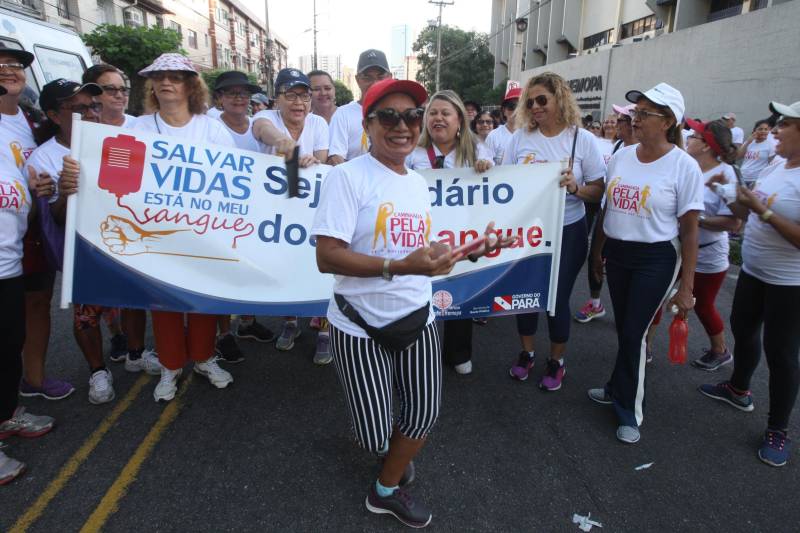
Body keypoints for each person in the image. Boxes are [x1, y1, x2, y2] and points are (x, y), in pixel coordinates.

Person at [311, 77, 513, 528]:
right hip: (357, 324)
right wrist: (399, 267)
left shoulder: (418, 183)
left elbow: (422, 246)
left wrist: (474, 248)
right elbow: (327, 256)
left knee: (421, 416)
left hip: (417, 317)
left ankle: (385, 489)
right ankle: (392, 456)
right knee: (374, 434)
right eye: (389, 116)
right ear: (368, 124)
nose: (402, 126)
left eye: (411, 117)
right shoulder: (348, 177)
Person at [588, 83, 703, 444]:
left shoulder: (684, 167)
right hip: (618, 254)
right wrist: (597, 252)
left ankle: (628, 410)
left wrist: (687, 287)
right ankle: (614, 386)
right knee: (626, 328)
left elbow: (689, 232)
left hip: (656, 257)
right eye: (634, 112)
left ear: (668, 121)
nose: (633, 119)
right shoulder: (622, 155)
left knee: (635, 332)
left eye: (643, 114)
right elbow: (608, 207)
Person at [699, 100, 800, 467]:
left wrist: (763, 211)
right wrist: (731, 194)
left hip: (790, 283)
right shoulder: (777, 166)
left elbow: (769, 216)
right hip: (754, 272)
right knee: (744, 329)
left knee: (783, 353)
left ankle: (778, 428)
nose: (774, 130)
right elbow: (747, 211)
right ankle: (738, 388)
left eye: (785, 124)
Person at [132, 53, 235, 401]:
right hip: (156, 234)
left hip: (204, 235)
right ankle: (170, 366)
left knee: (203, 302)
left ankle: (205, 358)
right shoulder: (138, 128)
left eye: (175, 77)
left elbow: (235, 178)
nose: (165, 83)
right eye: (159, 77)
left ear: (191, 85)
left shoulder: (212, 129)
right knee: (165, 306)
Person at [504, 72, 605, 391]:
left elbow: (599, 190)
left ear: (559, 99)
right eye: (529, 101)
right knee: (524, 296)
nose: (534, 106)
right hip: (528, 232)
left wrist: (576, 188)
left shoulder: (582, 139)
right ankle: (527, 353)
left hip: (568, 231)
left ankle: (557, 361)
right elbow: (503, 181)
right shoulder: (520, 138)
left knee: (556, 299)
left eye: (541, 100)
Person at [0, 44, 72, 402]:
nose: (8, 71)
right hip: (7, 231)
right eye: (0, 66)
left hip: (34, 230)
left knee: (37, 303)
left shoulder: (31, 121)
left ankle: (34, 378)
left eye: (14, 65)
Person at [406, 90, 494, 375]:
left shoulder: (476, 151)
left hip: (460, 236)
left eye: (446, 113)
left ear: (459, 120)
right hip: (421, 235)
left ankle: (458, 352)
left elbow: (499, 187)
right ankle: (417, 353)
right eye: (433, 113)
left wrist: (488, 169)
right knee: (417, 294)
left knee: (460, 292)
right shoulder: (413, 153)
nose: (438, 118)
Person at [252, 68, 330, 361]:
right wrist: (285, 144)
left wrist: (310, 160)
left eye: (304, 96)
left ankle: (324, 330)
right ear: (277, 98)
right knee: (284, 266)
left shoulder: (319, 123)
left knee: (318, 268)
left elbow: (321, 163)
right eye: (291, 95)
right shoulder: (266, 119)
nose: (299, 103)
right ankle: (290, 322)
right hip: (276, 210)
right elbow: (262, 131)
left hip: (310, 209)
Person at [0, 79, 54, 486]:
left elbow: (23, 175)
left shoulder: (20, 123)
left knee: (8, 344)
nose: (8, 73)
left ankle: (6, 415)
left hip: (10, 256)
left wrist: (36, 188)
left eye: (14, 66)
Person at [211, 70, 276, 361]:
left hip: (253, 213)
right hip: (219, 215)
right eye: (231, 93)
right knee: (222, 275)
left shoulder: (257, 126)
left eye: (243, 93)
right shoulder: (210, 126)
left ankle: (247, 323)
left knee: (248, 270)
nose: (239, 98)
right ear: (219, 98)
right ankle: (222, 334)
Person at [684, 119, 741, 371]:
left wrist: (698, 219)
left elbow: (734, 222)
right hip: (681, 249)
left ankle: (720, 350)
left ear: (707, 146)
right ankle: (646, 347)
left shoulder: (725, 175)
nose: (687, 139)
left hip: (709, 254)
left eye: (693, 136)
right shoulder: (688, 167)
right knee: (663, 298)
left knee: (703, 305)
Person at [574, 104, 634, 324]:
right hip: (604, 208)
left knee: (628, 271)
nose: (615, 123)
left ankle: (634, 323)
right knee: (596, 257)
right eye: (614, 120)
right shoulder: (617, 148)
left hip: (631, 221)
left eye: (621, 120)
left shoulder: (646, 154)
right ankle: (595, 301)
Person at [327, 49, 391, 165]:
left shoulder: (398, 113)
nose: (375, 83)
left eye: (380, 77)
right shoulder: (343, 114)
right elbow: (336, 158)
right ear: (357, 80)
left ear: (390, 78)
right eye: (367, 77)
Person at [485, 87, 520, 165]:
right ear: (504, 111)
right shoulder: (494, 136)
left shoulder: (533, 135)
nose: (516, 111)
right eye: (512, 106)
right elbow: (486, 160)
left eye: (521, 107)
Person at [737, 119, 776, 187]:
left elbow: (771, 165)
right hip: (742, 177)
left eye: (766, 129)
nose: (763, 131)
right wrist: (748, 142)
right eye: (760, 129)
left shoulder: (770, 145)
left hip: (756, 180)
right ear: (755, 130)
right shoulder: (749, 142)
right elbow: (738, 157)